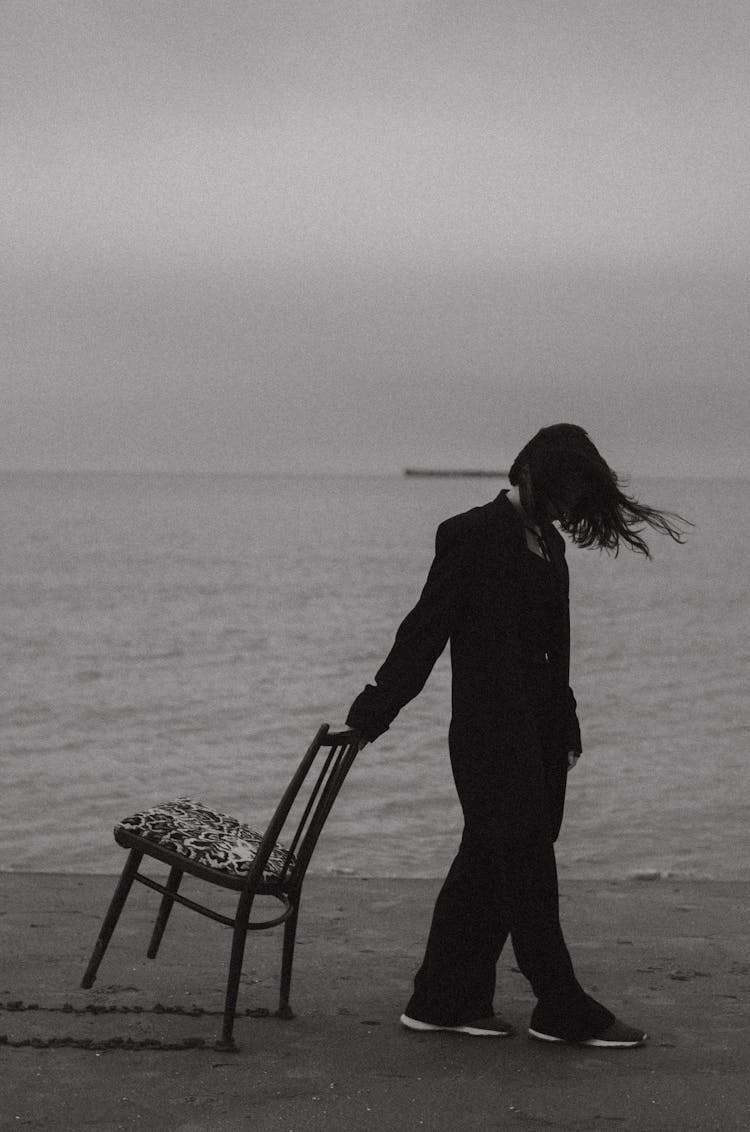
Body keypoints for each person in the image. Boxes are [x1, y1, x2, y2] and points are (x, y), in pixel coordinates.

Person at [345, 424, 687, 1048]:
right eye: (563, 489)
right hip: (487, 737)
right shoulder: (471, 535)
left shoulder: (549, 546)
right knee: (528, 868)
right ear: (528, 471)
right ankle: (559, 1004)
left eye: (580, 494)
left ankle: (442, 999)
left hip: (542, 736)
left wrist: (569, 725)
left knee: (485, 866)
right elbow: (424, 630)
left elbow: (555, 650)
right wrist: (372, 713)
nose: (569, 504)